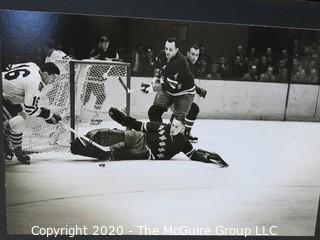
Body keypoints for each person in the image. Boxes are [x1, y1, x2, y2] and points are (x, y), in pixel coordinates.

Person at [70, 107, 228, 167]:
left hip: (146, 153)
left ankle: (80, 149)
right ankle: (79, 143)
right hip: (140, 137)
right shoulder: (161, 126)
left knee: (111, 153)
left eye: (176, 127)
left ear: (183, 128)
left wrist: (208, 157)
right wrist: (121, 119)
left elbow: (193, 154)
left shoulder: (183, 143)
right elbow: (139, 125)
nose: (172, 129)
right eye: (172, 125)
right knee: (109, 135)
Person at [2, 62, 62, 164]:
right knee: (15, 121)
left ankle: (10, 147)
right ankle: (11, 148)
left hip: (6, 97)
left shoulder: (32, 65)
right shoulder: (36, 82)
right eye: (54, 77)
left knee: (19, 119)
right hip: (4, 96)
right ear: (46, 74)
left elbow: (9, 66)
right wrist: (47, 116)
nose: (53, 81)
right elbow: (30, 109)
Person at [148, 37, 195, 123]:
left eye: (170, 49)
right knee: (153, 112)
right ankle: (159, 134)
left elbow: (170, 86)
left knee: (177, 122)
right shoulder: (162, 55)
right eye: (166, 48)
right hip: (170, 89)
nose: (167, 52)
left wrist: (153, 88)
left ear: (176, 50)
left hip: (184, 92)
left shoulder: (179, 62)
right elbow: (158, 66)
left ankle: (182, 133)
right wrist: (156, 77)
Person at [83, 36, 119, 113]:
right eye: (104, 43)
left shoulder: (97, 51)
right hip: (95, 77)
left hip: (90, 77)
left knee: (86, 97)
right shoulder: (98, 51)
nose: (106, 45)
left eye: (107, 43)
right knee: (100, 96)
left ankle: (77, 114)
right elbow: (96, 60)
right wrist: (114, 59)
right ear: (100, 43)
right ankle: (95, 116)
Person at [183, 44, 207, 143]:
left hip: (180, 95)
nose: (195, 57)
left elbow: (189, 83)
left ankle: (183, 133)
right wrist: (199, 90)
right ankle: (185, 134)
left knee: (190, 109)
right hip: (175, 95)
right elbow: (187, 83)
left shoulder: (189, 64)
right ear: (187, 53)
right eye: (192, 54)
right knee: (193, 109)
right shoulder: (185, 63)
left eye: (197, 55)